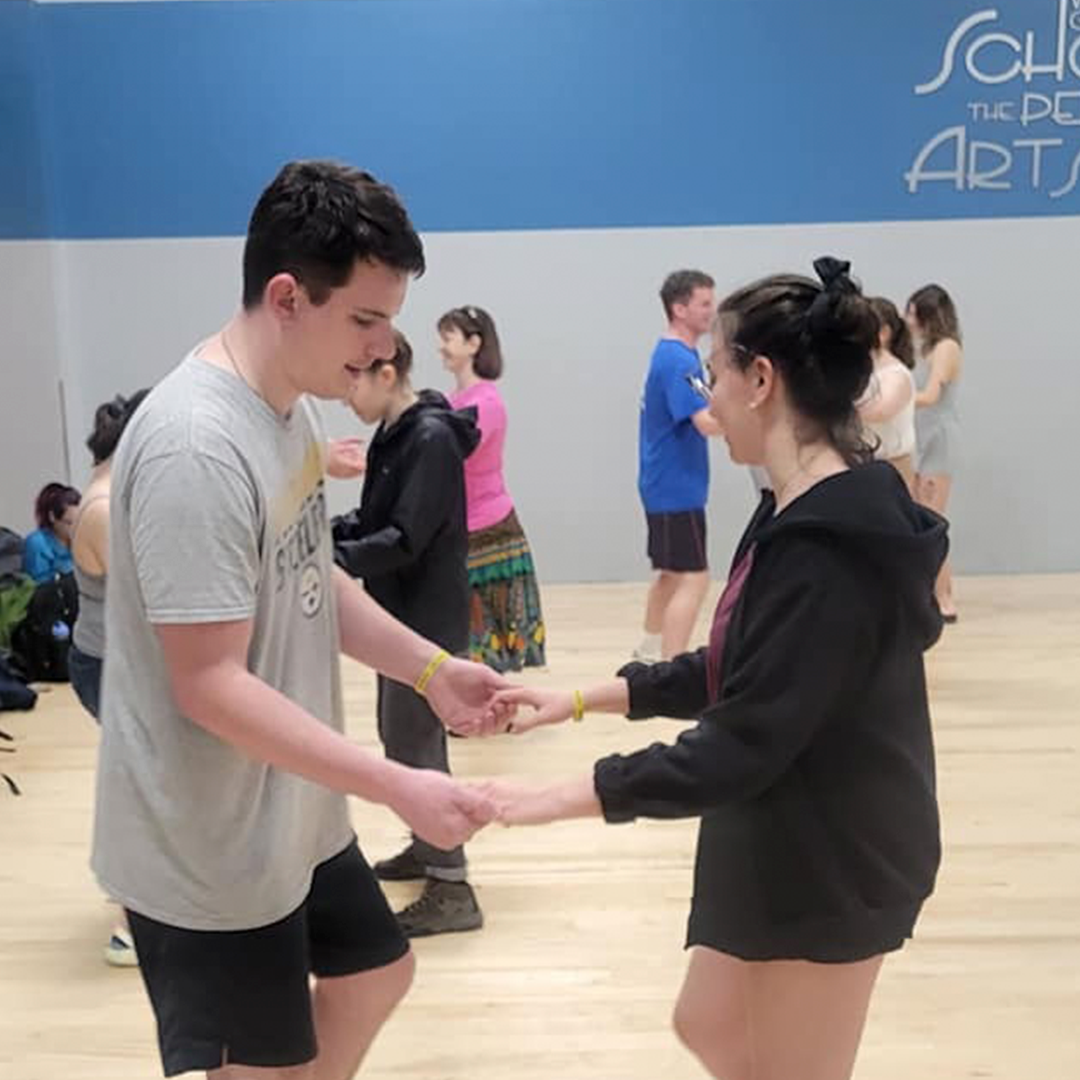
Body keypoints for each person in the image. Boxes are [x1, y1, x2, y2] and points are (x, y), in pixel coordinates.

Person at [480, 258, 947, 1080]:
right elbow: (739, 668)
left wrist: (549, 799)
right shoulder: (791, 509)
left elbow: (740, 742)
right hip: (779, 825)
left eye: (713, 376)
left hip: (835, 855)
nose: (710, 399)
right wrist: (575, 700)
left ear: (761, 380)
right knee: (708, 1023)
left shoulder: (830, 553)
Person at [91, 160, 506, 1080]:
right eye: (363, 320)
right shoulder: (196, 445)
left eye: (389, 321)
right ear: (287, 297)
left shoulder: (288, 413)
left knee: (375, 974)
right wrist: (394, 784)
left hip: (291, 812)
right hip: (210, 849)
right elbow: (209, 686)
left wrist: (431, 670)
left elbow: (316, 580)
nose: (382, 348)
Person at [333, 330, 484, 937]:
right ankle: (428, 846)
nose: (345, 393)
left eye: (353, 379)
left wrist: (331, 560)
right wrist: (327, 535)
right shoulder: (396, 434)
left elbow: (404, 538)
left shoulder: (430, 439)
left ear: (387, 374)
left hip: (426, 621)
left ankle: (452, 887)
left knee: (417, 749)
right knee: (400, 738)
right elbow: (376, 519)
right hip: (399, 614)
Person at [69, 388, 149, 967]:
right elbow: (150, 592)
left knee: (147, 778)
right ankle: (129, 923)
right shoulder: (100, 508)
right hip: (107, 664)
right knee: (142, 782)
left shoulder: (114, 488)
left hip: (120, 659)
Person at [441, 305, 546, 672]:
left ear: (473, 344)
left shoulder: (485, 403)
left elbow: (452, 456)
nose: (441, 347)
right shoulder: (451, 401)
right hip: (462, 525)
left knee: (487, 635)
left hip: (488, 527)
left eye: (448, 338)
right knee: (468, 631)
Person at [635, 270, 723, 663]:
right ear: (679, 308)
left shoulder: (679, 357)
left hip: (666, 482)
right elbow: (706, 422)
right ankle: (673, 663)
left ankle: (649, 651)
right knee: (694, 577)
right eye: (704, 303)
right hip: (675, 485)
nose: (711, 311)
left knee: (671, 573)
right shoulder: (677, 361)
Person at [907, 284, 963, 623]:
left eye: (913, 312)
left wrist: (892, 398)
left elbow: (930, 396)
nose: (908, 319)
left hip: (938, 438)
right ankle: (932, 593)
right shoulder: (925, 349)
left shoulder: (946, 348)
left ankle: (945, 598)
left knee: (932, 520)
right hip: (921, 436)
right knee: (920, 519)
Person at [858, 297, 917, 493]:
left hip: (892, 469)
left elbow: (879, 410)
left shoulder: (897, 374)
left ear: (883, 333)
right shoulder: (861, 370)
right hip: (862, 466)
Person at [22, 483, 80, 583]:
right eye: (69, 523)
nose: (76, 529)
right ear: (52, 517)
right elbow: (40, 587)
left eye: (79, 522)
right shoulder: (37, 544)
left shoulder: (82, 540)